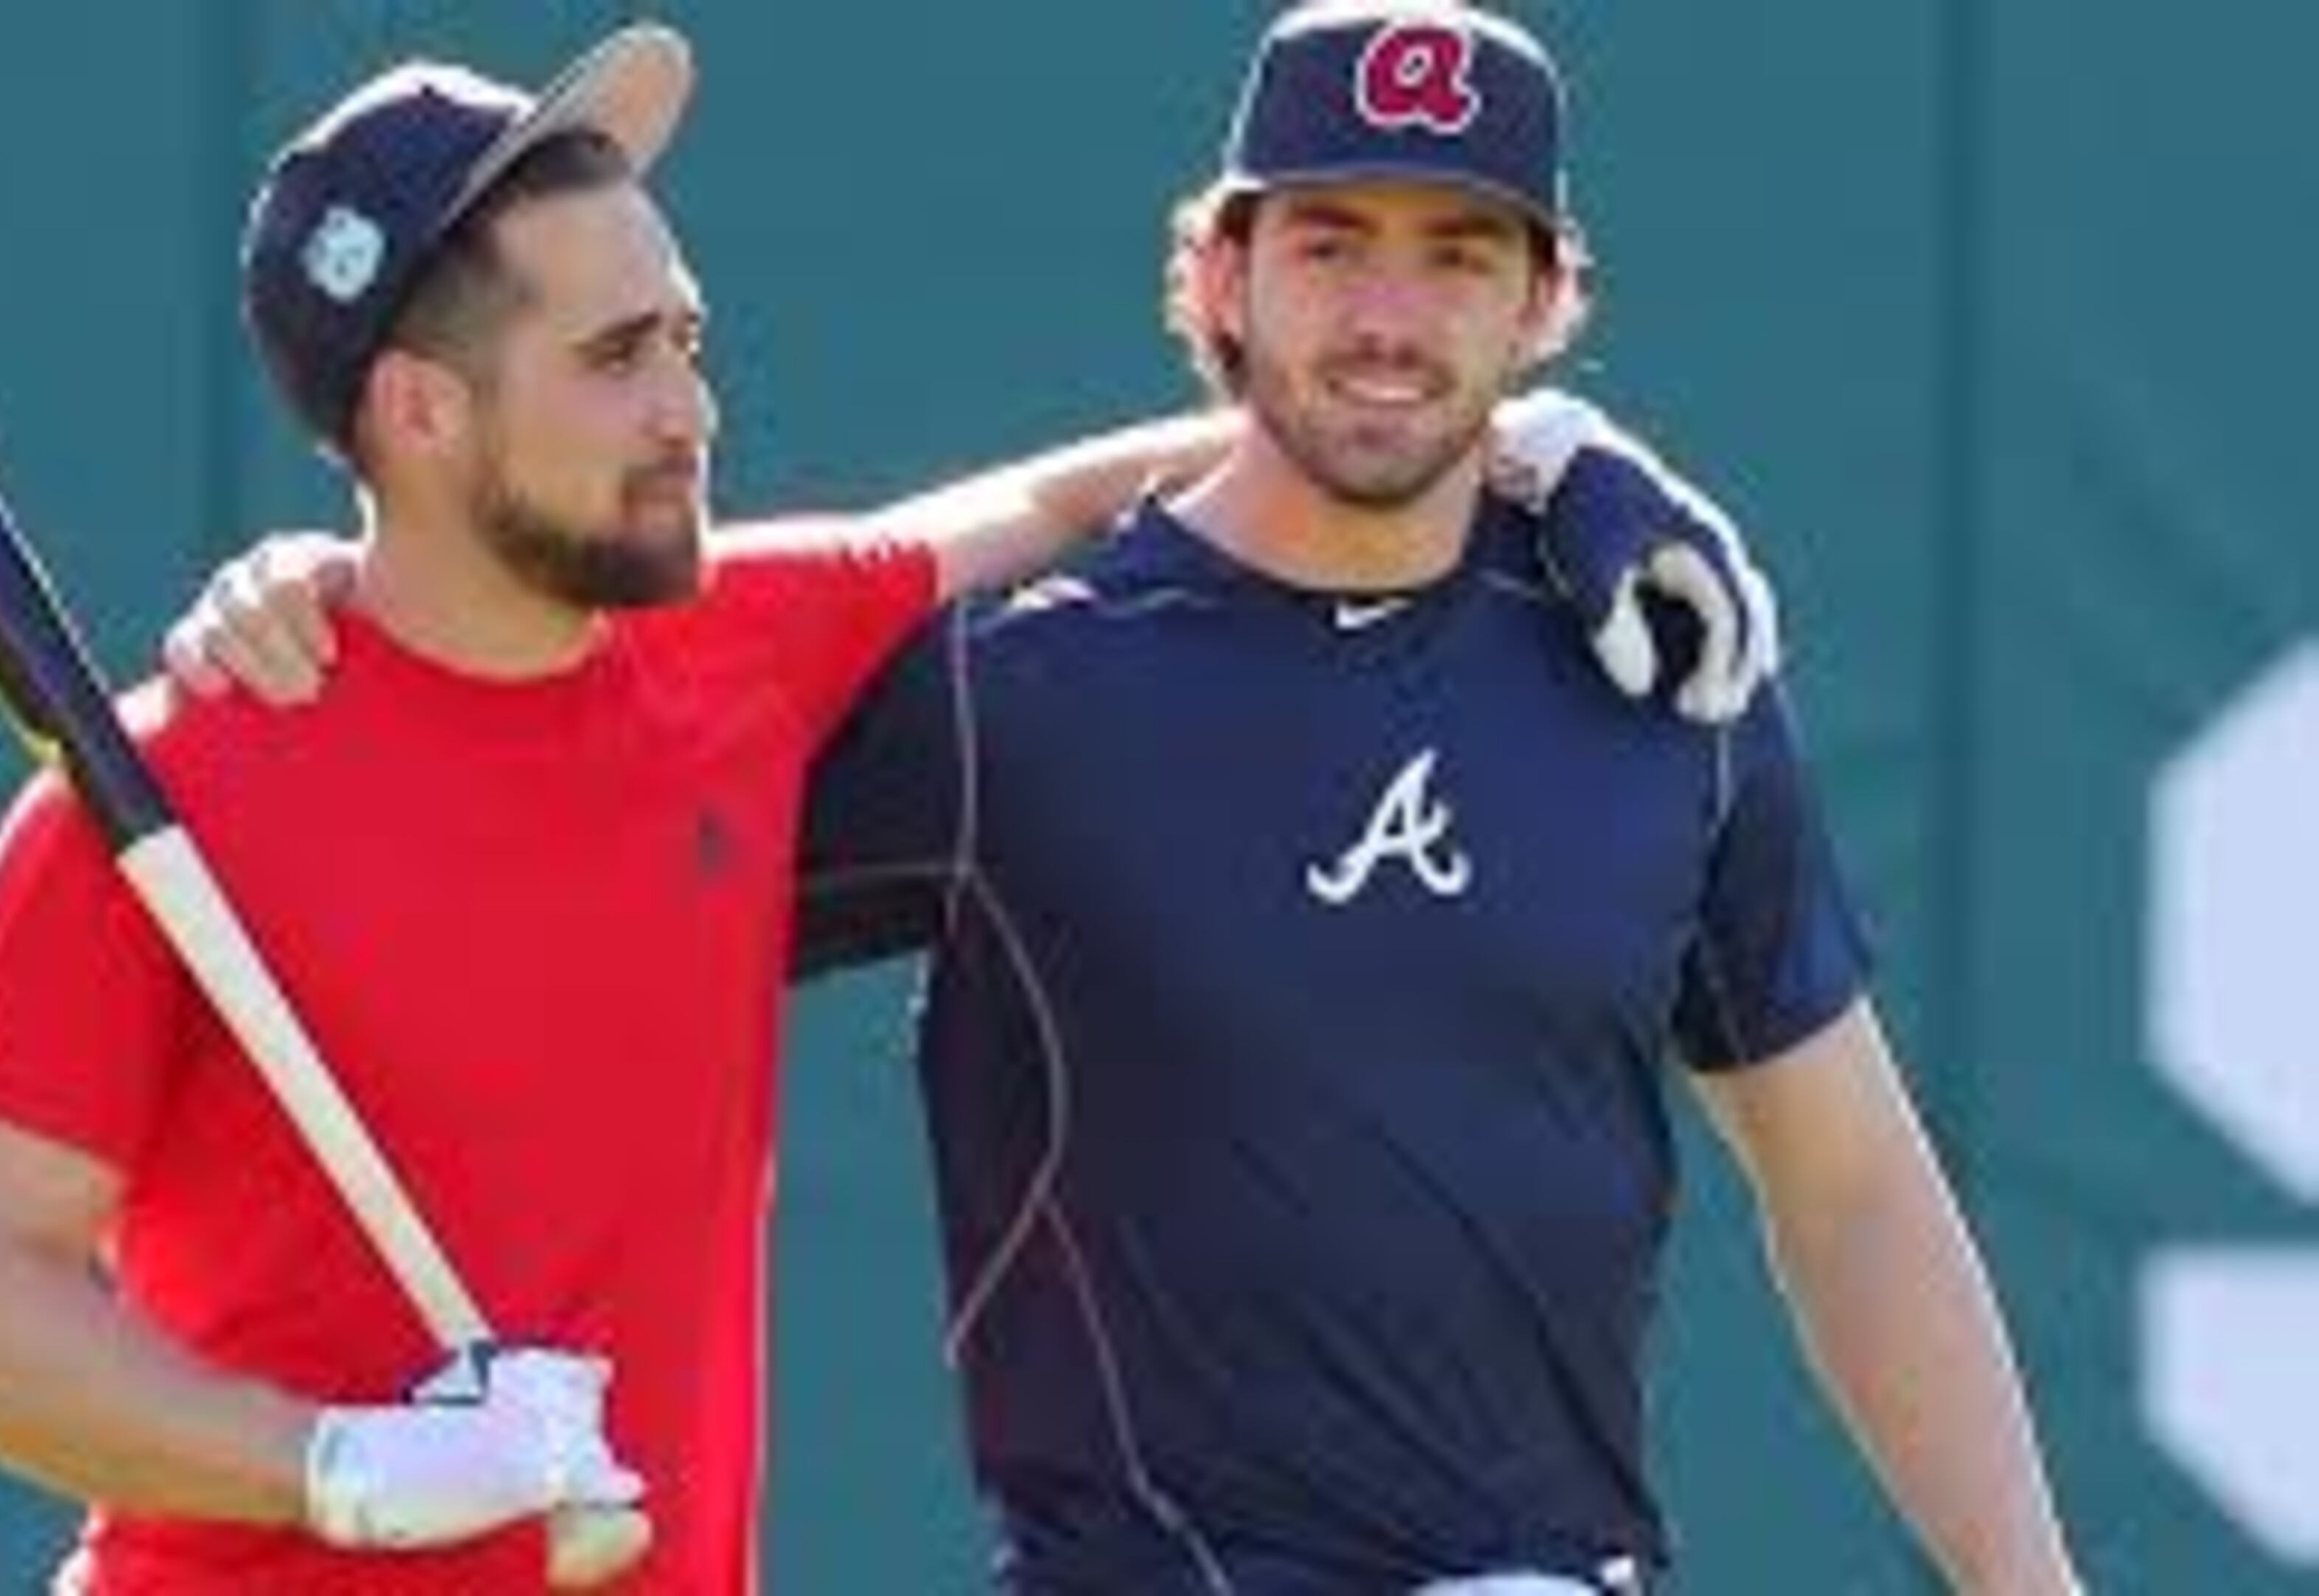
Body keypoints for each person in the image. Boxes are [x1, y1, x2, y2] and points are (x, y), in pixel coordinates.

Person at [122, 18, 1796, 1596]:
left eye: (680, 340)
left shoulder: (753, 640)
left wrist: (1541, 450)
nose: (685, 405)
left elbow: (1072, 492)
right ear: (419, 415)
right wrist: (336, 1462)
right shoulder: (199, 769)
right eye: (620, 352)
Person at [785, 4, 2082, 1591]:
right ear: (1217, 277)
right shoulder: (1018, 691)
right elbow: (617, 869)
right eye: (1330, 243)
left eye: (1461, 254)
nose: (1389, 314)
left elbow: (1854, 1181)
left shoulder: (1662, 672)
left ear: (1545, 305)